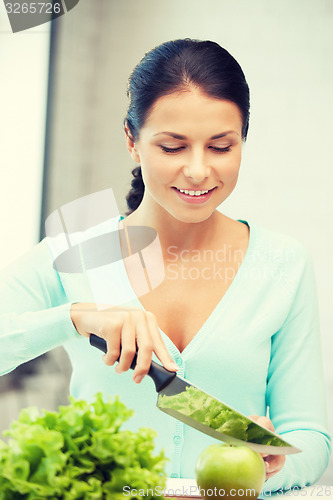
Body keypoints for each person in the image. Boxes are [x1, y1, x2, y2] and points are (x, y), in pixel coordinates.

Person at [0, 38, 330, 492]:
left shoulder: (282, 263)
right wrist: (76, 317)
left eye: (220, 147)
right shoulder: (71, 252)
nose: (197, 171)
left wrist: (275, 466)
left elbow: (310, 436)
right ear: (132, 142)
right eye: (173, 147)